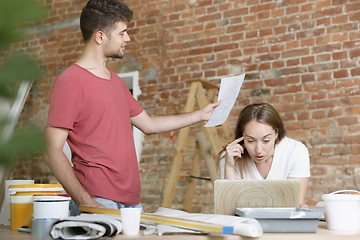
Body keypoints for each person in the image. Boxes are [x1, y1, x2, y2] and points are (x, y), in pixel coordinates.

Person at [44, 0, 221, 216]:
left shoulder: (117, 82)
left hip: (132, 202)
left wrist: (199, 115)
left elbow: (149, 124)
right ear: (100, 37)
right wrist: (85, 201)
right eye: (122, 33)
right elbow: (51, 150)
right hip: (97, 199)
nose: (127, 38)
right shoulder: (70, 82)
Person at [218, 103, 310, 208]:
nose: (258, 150)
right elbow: (230, 209)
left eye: (266, 140)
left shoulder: (295, 151)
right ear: (242, 136)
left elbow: (294, 206)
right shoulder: (230, 157)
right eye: (251, 140)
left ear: (277, 134)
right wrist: (229, 167)